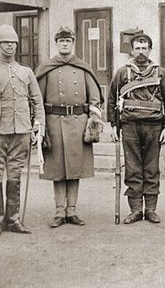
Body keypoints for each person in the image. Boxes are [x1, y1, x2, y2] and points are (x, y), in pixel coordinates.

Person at [0, 24, 45, 237]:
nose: (10, 46)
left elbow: (37, 102)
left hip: (21, 132)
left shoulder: (26, 72)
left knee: (15, 175)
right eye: (5, 42)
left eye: (13, 42)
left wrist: (38, 127)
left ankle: (13, 219)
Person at [35, 26, 104, 228]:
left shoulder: (83, 68)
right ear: (56, 44)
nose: (64, 44)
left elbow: (95, 100)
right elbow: (37, 100)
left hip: (78, 124)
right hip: (54, 124)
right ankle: (59, 212)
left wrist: (93, 123)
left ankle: (72, 211)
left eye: (68, 41)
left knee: (74, 169)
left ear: (73, 44)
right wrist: (40, 126)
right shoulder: (47, 68)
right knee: (57, 169)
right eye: (61, 41)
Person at [108, 33, 165, 224]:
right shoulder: (122, 73)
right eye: (137, 48)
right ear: (132, 50)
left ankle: (151, 209)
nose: (141, 52)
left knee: (151, 168)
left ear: (150, 50)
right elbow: (112, 99)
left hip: (154, 127)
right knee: (133, 168)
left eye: (144, 48)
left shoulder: (160, 72)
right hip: (129, 126)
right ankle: (136, 209)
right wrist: (113, 125)